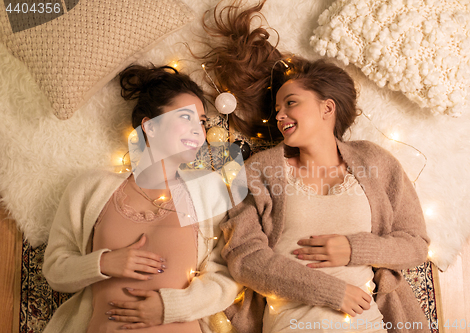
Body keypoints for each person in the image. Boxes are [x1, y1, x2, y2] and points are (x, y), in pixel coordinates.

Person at [200, 2, 430, 332]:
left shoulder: (375, 162)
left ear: (327, 108)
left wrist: (354, 249)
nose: (279, 115)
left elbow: (415, 245)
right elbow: (244, 257)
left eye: (291, 103)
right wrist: (330, 292)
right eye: (277, 108)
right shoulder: (260, 171)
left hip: (367, 324)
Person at [42, 64, 241, 333]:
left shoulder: (208, 192)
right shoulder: (91, 189)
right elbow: (55, 270)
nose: (199, 131)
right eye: (186, 118)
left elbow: (228, 278)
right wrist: (102, 263)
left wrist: (170, 307)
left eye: (202, 122)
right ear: (150, 127)